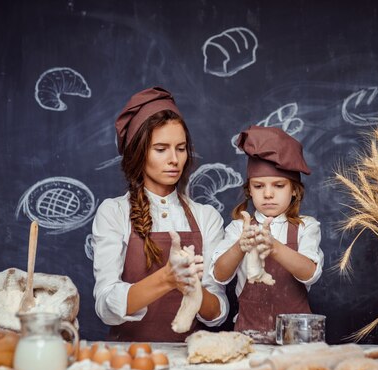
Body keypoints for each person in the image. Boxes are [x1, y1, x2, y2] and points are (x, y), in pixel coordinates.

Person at [92, 87, 228, 342]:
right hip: (129, 359)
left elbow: (217, 312)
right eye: (161, 148)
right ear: (139, 152)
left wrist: (193, 290)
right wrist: (167, 279)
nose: (174, 159)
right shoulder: (114, 213)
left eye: (181, 148)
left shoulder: (206, 217)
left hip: (189, 359)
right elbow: (105, 307)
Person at [210, 126, 323, 342]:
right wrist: (239, 247)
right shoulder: (238, 228)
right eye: (259, 186)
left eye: (279, 185)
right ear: (249, 191)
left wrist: (274, 247)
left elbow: (310, 273)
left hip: (296, 337)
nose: (268, 194)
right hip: (248, 335)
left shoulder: (306, 226)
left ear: (294, 190)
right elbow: (219, 275)